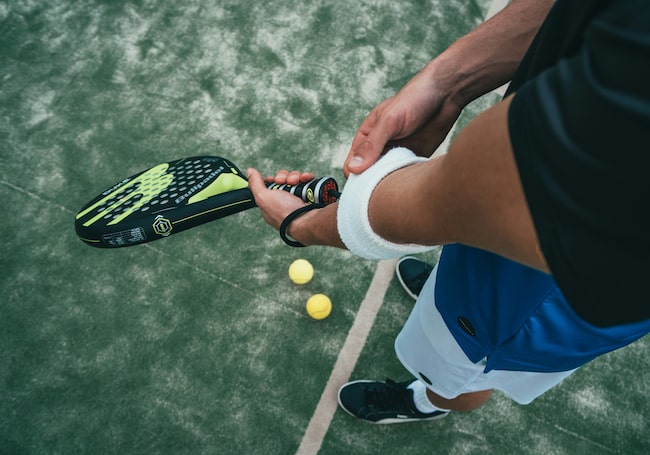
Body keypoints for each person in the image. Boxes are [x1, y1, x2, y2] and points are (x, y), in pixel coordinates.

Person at [246, 0, 650, 423]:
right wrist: (445, 83)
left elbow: (482, 197)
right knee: (458, 278)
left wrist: (303, 225)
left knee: (462, 372)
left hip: (539, 296)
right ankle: (445, 291)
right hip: (517, 234)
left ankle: (428, 400)